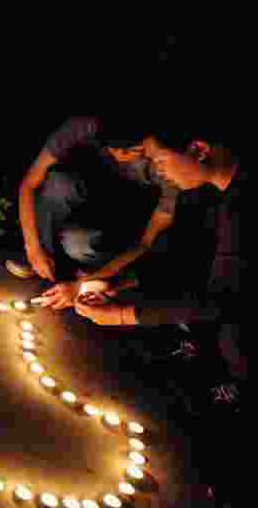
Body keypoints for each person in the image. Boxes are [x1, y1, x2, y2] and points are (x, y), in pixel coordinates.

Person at [35, 121, 243, 396]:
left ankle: (238, 382)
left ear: (199, 149)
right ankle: (198, 341)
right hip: (214, 289)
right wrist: (108, 286)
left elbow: (220, 300)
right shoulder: (206, 194)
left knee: (236, 343)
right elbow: (184, 257)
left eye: (159, 159)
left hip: (238, 308)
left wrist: (122, 315)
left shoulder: (243, 209)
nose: (156, 170)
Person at [6, 114, 180, 286]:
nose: (121, 155)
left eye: (134, 150)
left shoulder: (165, 164)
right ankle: (44, 261)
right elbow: (29, 183)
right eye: (113, 149)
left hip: (128, 214)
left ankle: (98, 272)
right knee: (57, 183)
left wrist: (85, 283)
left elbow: (146, 242)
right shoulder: (82, 126)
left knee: (76, 244)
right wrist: (33, 249)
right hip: (87, 192)